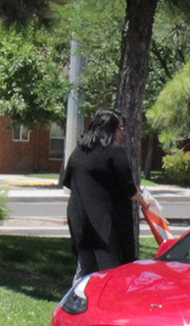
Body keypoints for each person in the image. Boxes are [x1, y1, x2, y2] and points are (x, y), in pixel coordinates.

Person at [60, 109, 151, 281]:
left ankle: (76, 305)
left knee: (85, 271)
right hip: (104, 225)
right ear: (110, 130)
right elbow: (129, 189)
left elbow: (69, 182)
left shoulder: (79, 152)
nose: (122, 132)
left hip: (80, 220)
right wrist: (144, 200)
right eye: (120, 128)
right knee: (110, 274)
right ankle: (110, 306)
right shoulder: (115, 151)